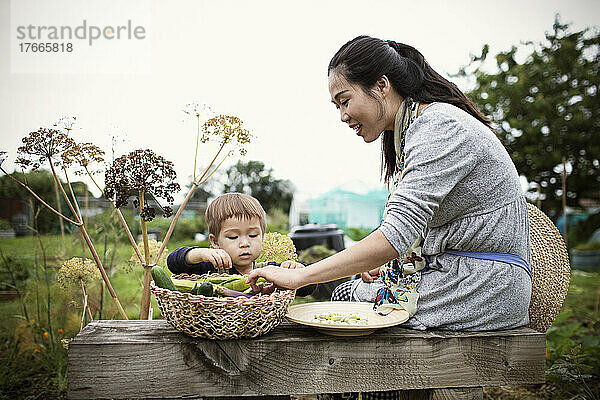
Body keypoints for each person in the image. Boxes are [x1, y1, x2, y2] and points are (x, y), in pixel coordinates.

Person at [248, 35, 532, 333]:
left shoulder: (441, 128)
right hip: (464, 276)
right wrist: (385, 262)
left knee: (347, 295)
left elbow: (395, 235)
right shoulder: (417, 128)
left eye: (345, 101)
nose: (343, 116)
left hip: (486, 287)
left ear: (382, 86)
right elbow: (409, 231)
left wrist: (301, 277)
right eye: (336, 107)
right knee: (354, 290)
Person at [168, 192, 316, 296]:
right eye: (233, 237)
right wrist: (199, 254)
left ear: (262, 237)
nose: (245, 243)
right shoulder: (209, 268)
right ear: (215, 241)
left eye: (253, 235)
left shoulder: (270, 271)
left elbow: (308, 288)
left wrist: (297, 271)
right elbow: (173, 264)